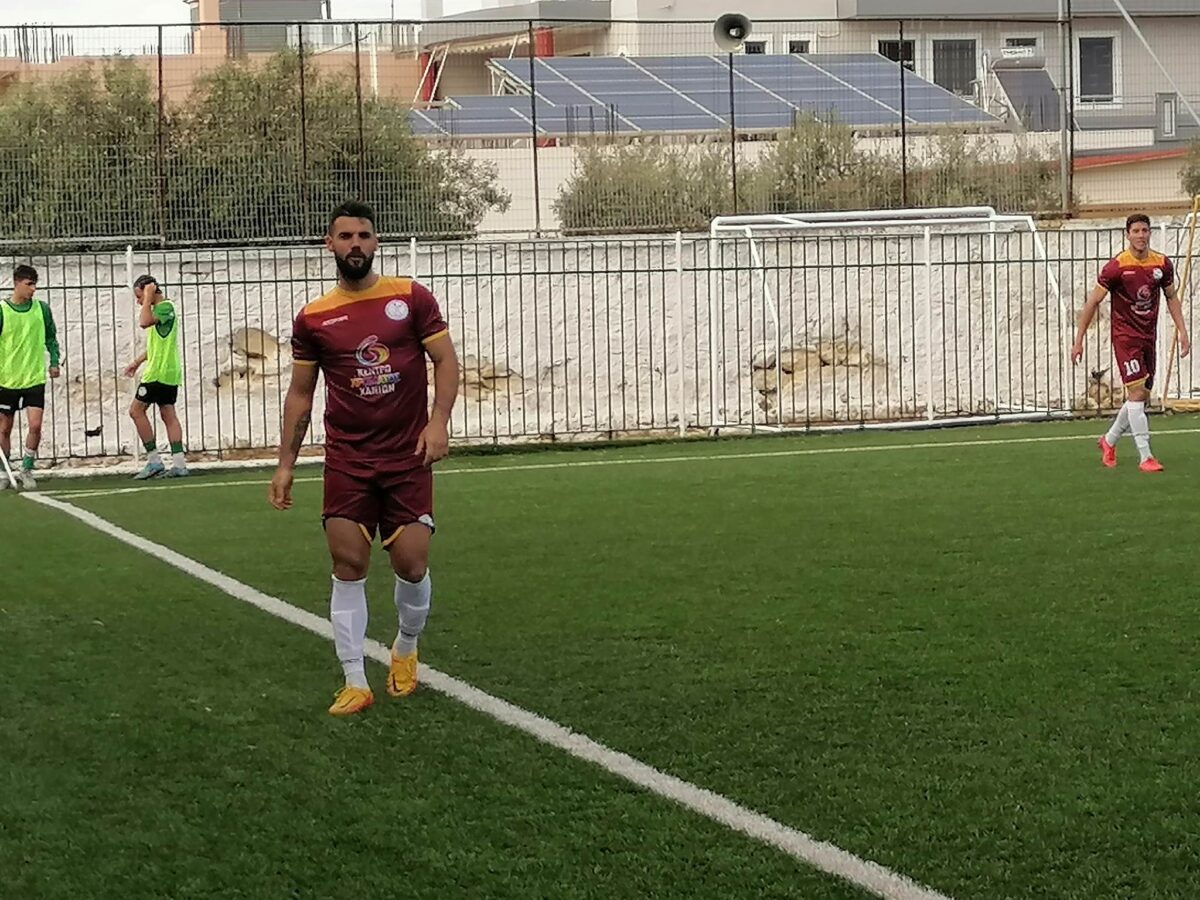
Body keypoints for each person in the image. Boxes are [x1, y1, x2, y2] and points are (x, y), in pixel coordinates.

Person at [269, 200, 460, 717]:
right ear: (329, 244)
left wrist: (438, 421)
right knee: (348, 564)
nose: (355, 244)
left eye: (364, 236)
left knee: (412, 564)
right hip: (348, 460)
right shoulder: (313, 317)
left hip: (407, 455)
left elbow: (445, 360)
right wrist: (285, 464)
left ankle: (405, 647)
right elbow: (301, 394)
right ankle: (355, 678)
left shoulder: (410, 297)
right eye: (345, 236)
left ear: (376, 242)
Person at [1072, 213, 1191, 472]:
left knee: (1142, 396)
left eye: (1144, 230)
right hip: (1125, 338)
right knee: (1136, 393)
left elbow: (1171, 297)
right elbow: (1092, 302)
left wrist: (1182, 330)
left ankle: (1108, 440)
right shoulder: (1116, 267)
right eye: (1135, 231)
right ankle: (1145, 456)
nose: (1140, 235)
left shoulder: (1161, 264)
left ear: (1149, 233)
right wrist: (1078, 340)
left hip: (1148, 337)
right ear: (1127, 235)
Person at [0, 265, 60, 490]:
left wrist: (54, 361)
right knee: (4, 429)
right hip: (7, 380)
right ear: (16, 283)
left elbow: (51, 338)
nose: (33, 289)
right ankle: (3, 471)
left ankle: (26, 468)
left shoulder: (42, 309)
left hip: (34, 378)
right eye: (29, 284)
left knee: (35, 425)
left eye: (35, 284)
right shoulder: (2, 310)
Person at [123, 274, 188, 479]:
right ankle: (179, 464)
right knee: (168, 414)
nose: (138, 302)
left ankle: (154, 461)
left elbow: (143, 322)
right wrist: (137, 362)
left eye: (139, 296)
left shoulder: (164, 308)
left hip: (158, 373)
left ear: (149, 290)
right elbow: (156, 346)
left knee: (136, 411)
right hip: (166, 372)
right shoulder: (160, 310)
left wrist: (148, 297)